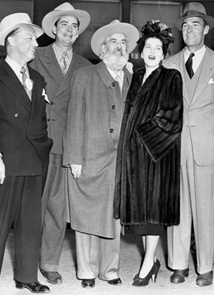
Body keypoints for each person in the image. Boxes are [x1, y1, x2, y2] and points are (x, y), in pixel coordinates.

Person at [0, 13, 53, 295]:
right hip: (4, 161)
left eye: (35, 39)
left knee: (31, 223)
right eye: (29, 38)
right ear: (11, 41)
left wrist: (44, 148)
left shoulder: (38, 78)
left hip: (33, 158)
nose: (35, 44)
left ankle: (27, 276)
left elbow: (40, 119)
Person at [162, 2, 214, 286]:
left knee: (205, 209)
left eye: (196, 24)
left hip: (207, 148)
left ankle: (205, 267)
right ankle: (178, 265)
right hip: (176, 147)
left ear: (206, 29)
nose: (190, 29)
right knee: (176, 209)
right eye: (185, 25)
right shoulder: (169, 64)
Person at [62, 20, 139, 288]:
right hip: (90, 156)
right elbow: (74, 118)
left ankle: (110, 269)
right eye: (113, 43)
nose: (118, 47)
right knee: (86, 214)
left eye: (123, 43)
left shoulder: (132, 79)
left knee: (113, 215)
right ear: (102, 48)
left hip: (121, 159)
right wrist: (74, 157)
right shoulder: (84, 75)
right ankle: (86, 271)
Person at [113, 20, 183, 286]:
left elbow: (172, 118)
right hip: (134, 157)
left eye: (158, 48)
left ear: (164, 54)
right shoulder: (136, 77)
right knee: (141, 213)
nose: (152, 52)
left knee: (153, 212)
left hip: (156, 154)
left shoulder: (171, 77)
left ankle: (147, 264)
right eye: (148, 47)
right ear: (141, 51)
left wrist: (140, 137)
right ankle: (150, 261)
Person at [29, 2, 91, 285]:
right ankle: (27, 261)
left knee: (57, 207)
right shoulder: (34, 55)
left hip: (66, 144)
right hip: (35, 140)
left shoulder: (85, 66)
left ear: (78, 33)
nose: (68, 30)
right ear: (53, 29)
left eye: (74, 26)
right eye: (63, 24)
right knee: (31, 205)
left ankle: (49, 262)